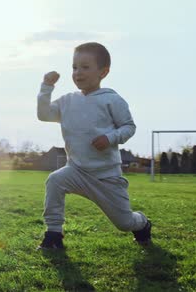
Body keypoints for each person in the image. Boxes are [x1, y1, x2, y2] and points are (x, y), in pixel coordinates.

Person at [36, 42, 151, 249]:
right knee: (55, 180)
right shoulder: (67, 101)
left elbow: (129, 127)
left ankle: (141, 223)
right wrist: (46, 87)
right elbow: (43, 115)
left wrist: (110, 138)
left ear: (103, 72)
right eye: (74, 67)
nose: (78, 73)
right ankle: (53, 235)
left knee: (124, 224)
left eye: (85, 67)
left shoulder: (112, 100)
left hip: (106, 176)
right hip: (77, 171)